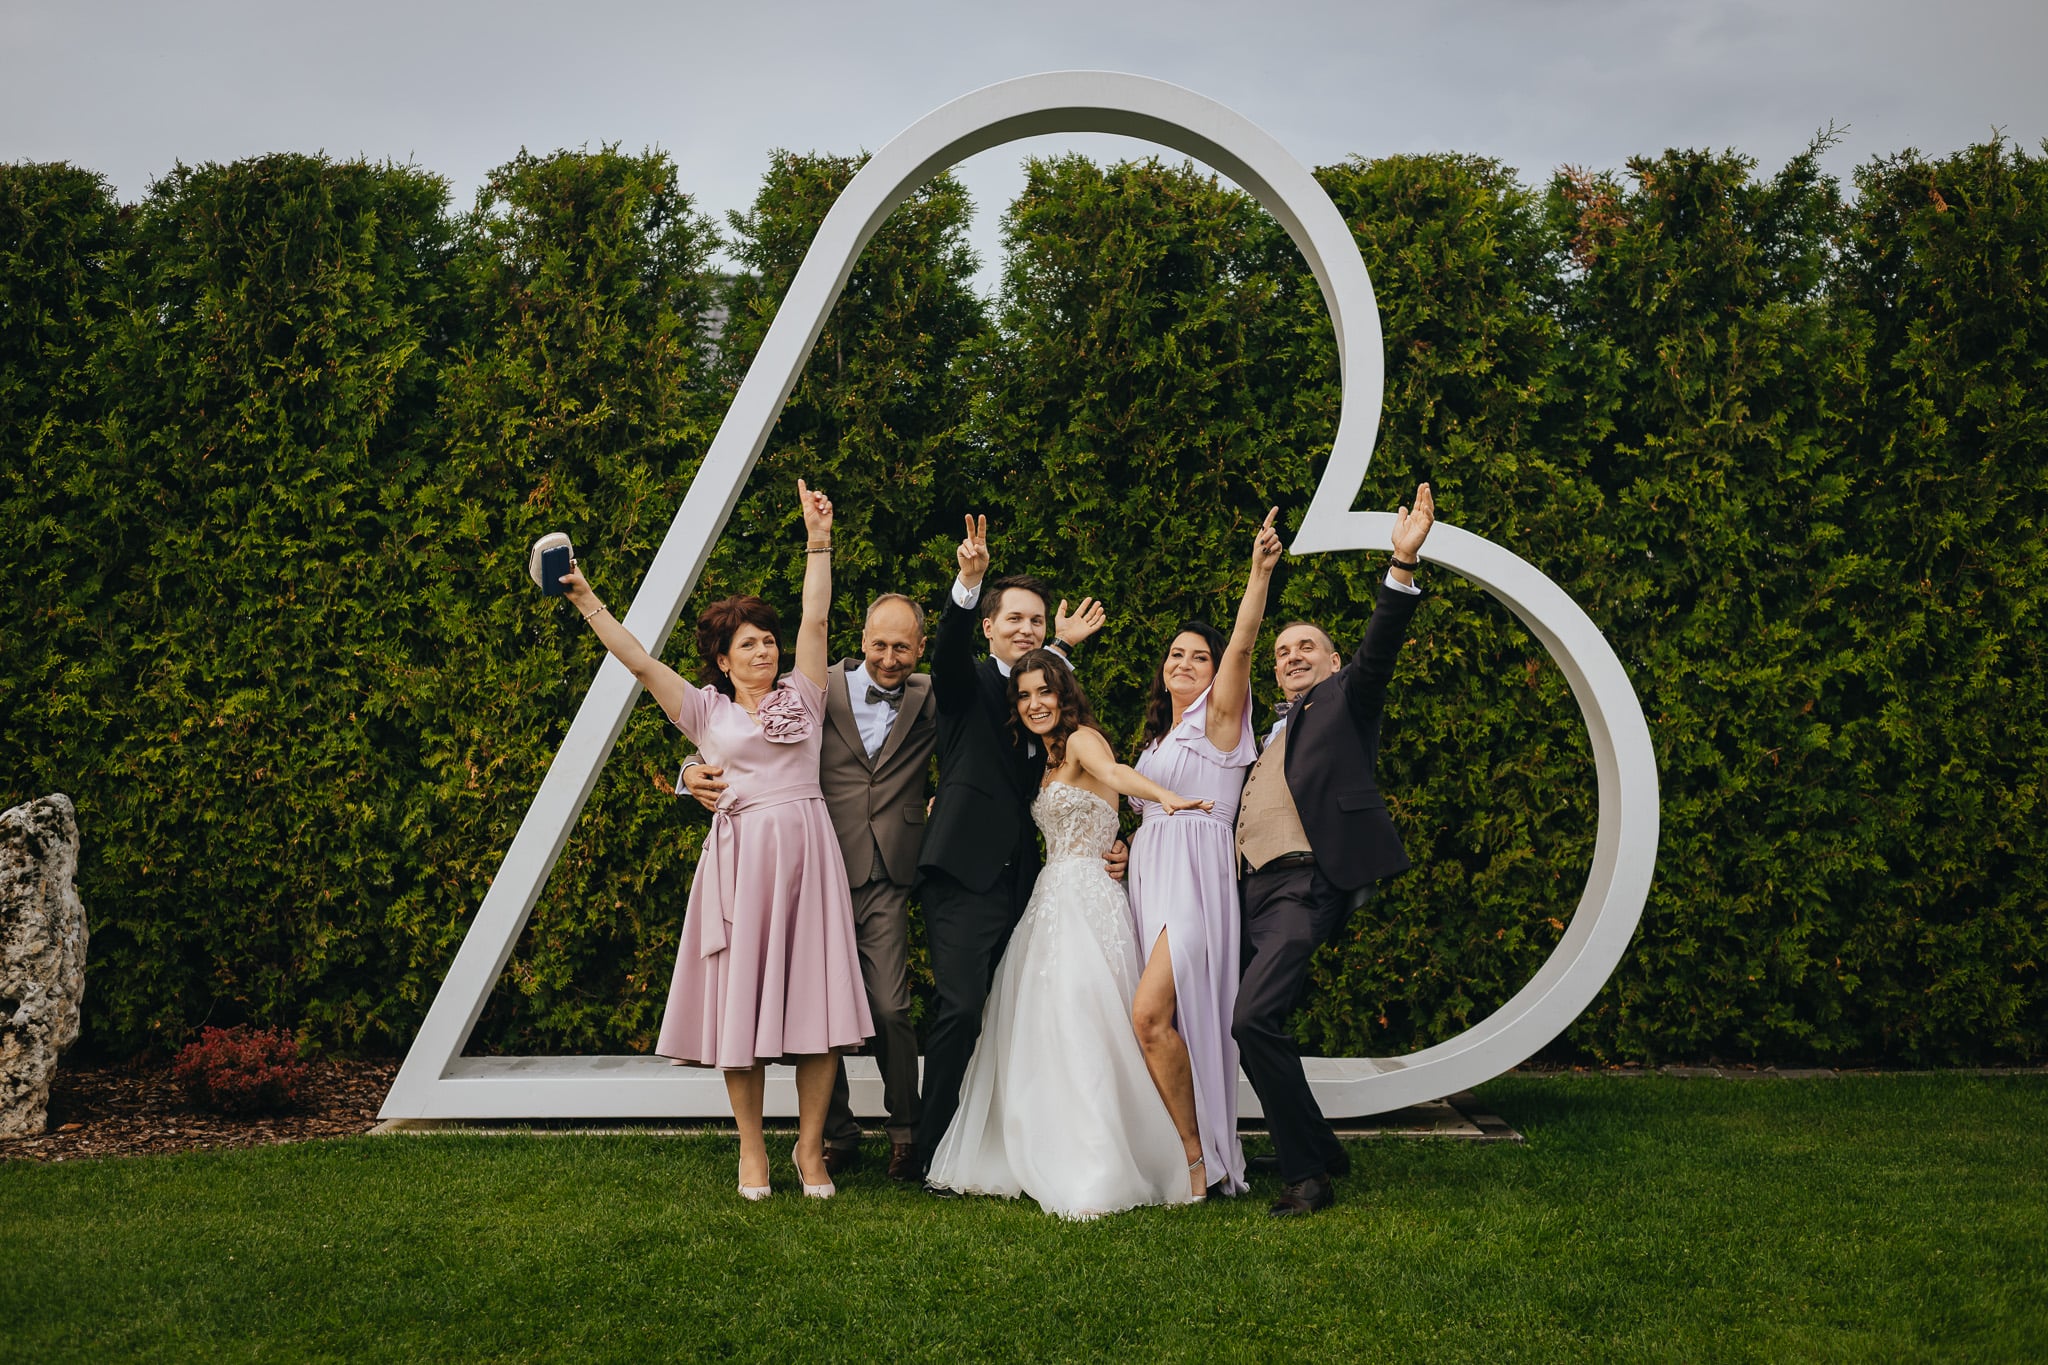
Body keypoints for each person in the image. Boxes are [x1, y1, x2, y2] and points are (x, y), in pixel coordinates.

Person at [559, 480, 872, 1201]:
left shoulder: (806, 693)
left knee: (820, 1007)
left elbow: (816, 616)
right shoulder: (704, 711)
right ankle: (751, 1151)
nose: (764, 648)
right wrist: (586, 599)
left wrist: (818, 540)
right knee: (742, 1008)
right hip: (741, 867)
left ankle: (811, 1150)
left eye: (767, 639)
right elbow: (639, 662)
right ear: (723, 662)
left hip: (809, 856)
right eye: (747, 643)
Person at [925, 650, 1214, 1218]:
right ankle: (1046, 1144)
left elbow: (1115, 775)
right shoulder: (1044, 759)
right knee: (1042, 1025)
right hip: (1049, 899)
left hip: (1088, 900)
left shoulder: (1083, 740)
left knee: (1088, 1020)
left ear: (1065, 694)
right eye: (1023, 696)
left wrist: (1162, 796)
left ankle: (1107, 1160)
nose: (1034, 704)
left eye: (1044, 692)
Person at [681, 593, 936, 1183]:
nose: (889, 657)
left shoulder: (924, 695)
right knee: (807, 1004)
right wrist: (689, 772)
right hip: (795, 868)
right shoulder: (821, 685)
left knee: (887, 1006)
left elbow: (977, 739)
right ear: (861, 640)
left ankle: (905, 1134)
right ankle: (829, 1139)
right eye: (879, 644)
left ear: (920, 649)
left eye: (902, 647)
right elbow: (730, 739)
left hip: (877, 867)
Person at [1233, 482, 1436, 1217]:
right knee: (1256, 1023)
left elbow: (1381, 649)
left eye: (1305, 647)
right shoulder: (1265, 731)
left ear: (1332, 659)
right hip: (1249, 892)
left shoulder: (1347, 698)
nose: (1291, 656)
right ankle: (1320, 1143)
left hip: (1303, 884)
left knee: (1253, 1019)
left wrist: (1401, 565)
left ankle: (1307, 1177)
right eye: (1282, 651)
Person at [914, 514, 1113, 1180]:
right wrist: (967, 584)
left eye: (1037, 620)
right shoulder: (967, 681)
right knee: (962, 1008)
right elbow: (946, 653)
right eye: (1014, 619)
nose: (1026, 628)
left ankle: (1006, 1142)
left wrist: (1061, 646)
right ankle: (929, 1149)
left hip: (1028, 882)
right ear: (990, 627)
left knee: (1019, 1015)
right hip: (963, 874)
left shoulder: (1041, 701)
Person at [1126, 508, 1283, 1199]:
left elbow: (1243, 646)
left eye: (1199, 656)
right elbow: (1147, 812)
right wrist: (1123, 849)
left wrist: (1258, 575)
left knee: (1150, 1014)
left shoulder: (1220, 723)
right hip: (1148, 880)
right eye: (1175, 654)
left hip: (1194, 884)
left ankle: (1199, 1156)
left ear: (1217, 674)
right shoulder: (1157, 741)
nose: (1183, 663)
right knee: (1161, 1021)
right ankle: (1172, 1151)